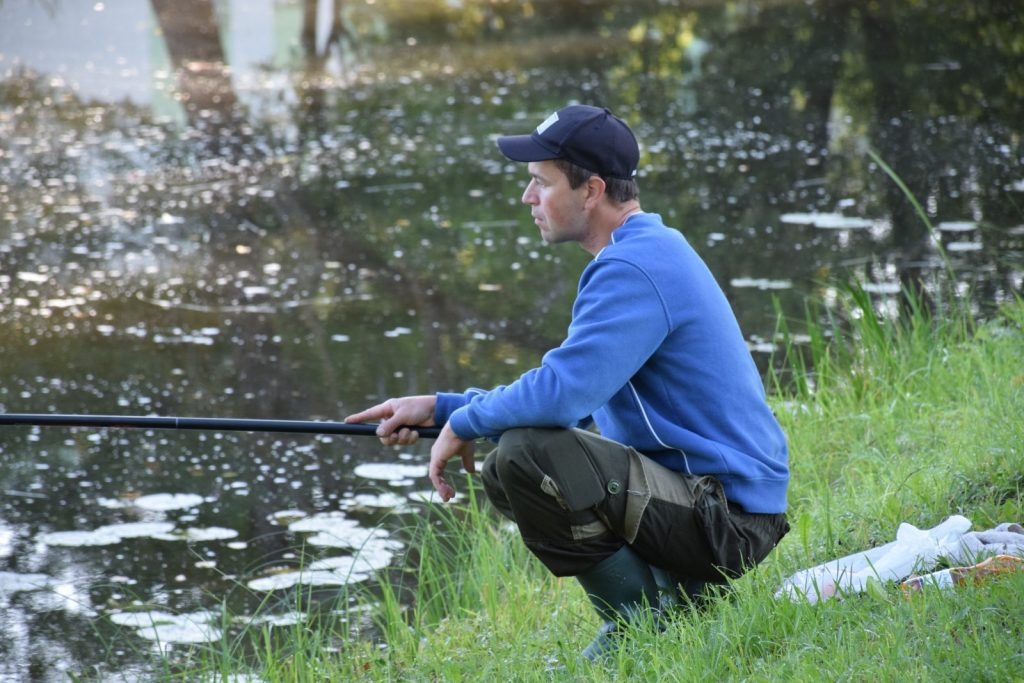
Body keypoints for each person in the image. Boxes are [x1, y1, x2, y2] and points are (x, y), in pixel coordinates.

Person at [345, 104, 790, 661]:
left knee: (522, 458)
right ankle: (676, 599)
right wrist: (442, 407)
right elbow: (573, 400)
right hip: (719, 506)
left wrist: (463, 421)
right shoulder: (640, 253)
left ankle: (643, 622)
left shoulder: (633, 268)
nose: (528, 198)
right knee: (519, 456)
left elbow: (562, 397)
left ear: (592, 190)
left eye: (540, 183)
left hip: (727, 518)